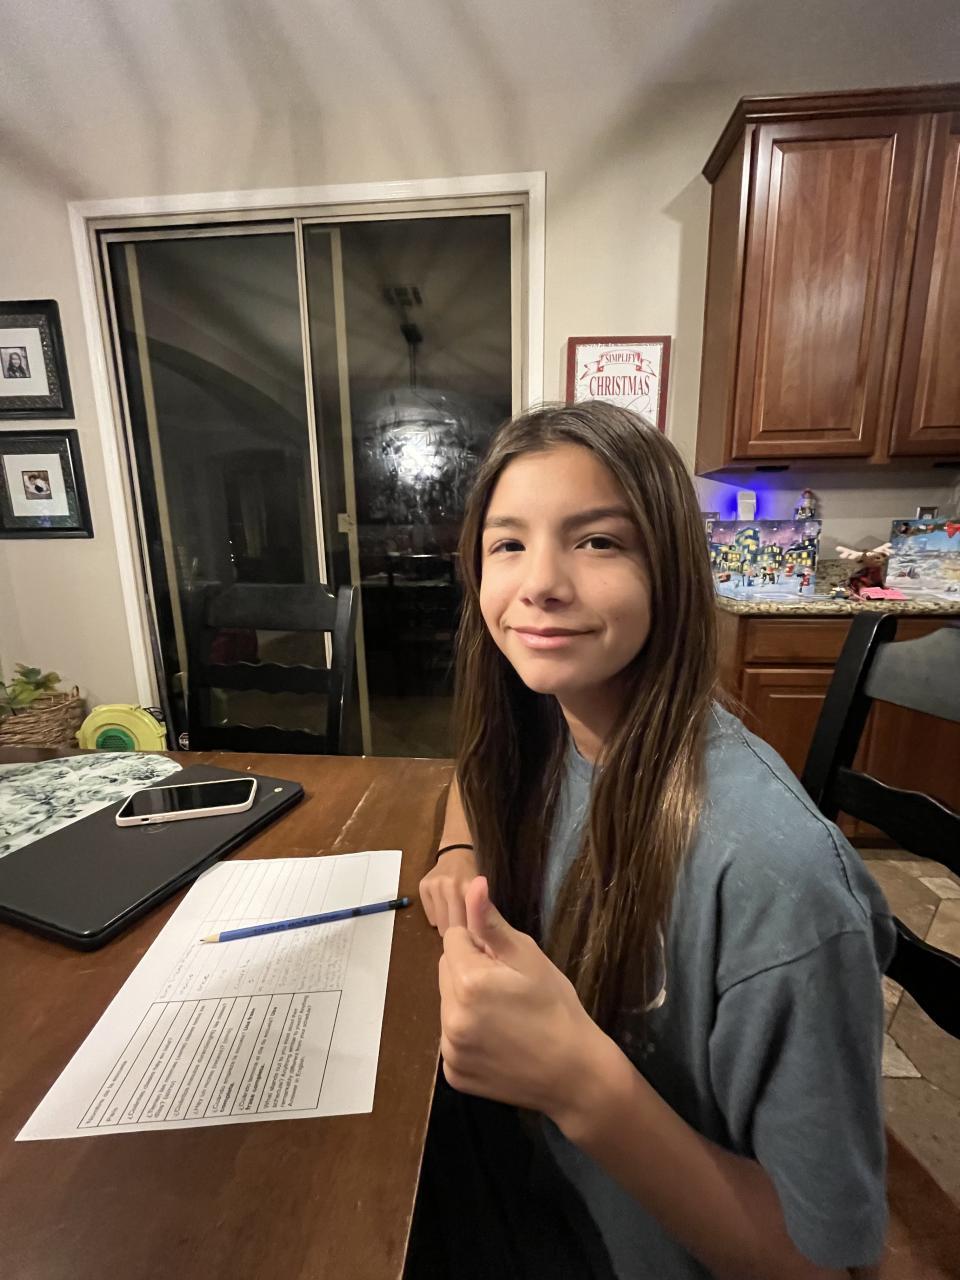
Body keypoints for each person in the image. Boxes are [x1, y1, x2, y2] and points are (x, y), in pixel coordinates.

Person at [414, 402, 892, 1280]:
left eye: (598, 541)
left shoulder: (777, 885)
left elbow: (820, 1267)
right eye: (508, 543)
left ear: (670, 567)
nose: (540, 582)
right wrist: (459, 855)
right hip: (533, 1181)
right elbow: (475, 778)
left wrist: (579, 1084)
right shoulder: (548, 719)